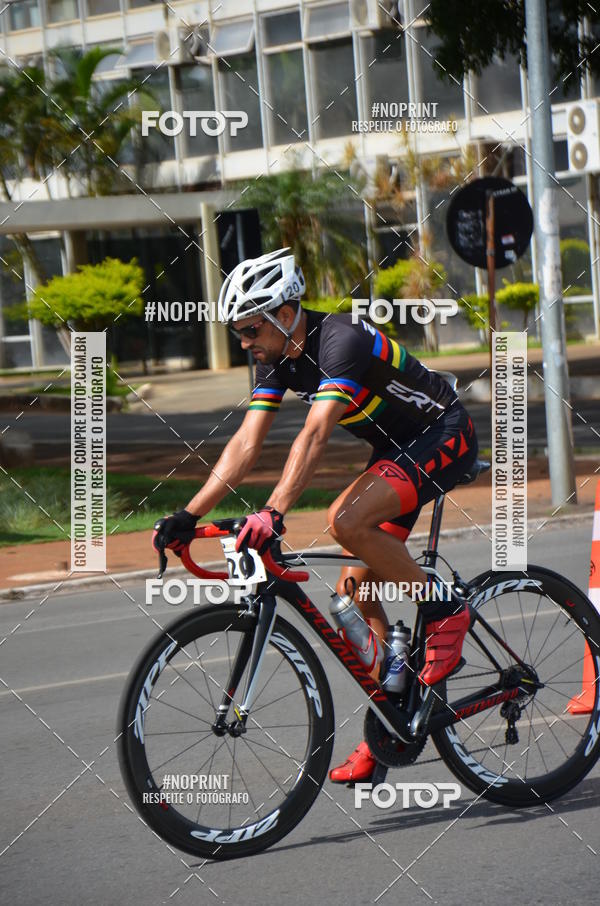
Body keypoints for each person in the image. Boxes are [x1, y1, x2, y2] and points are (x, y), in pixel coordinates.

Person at [153, 247, 478, 783]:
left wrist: (274, 511)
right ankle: (394, 721)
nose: (245, 343)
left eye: (250, 329)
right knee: (353, 596)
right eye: (238, 333)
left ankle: (445, 609)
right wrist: (187, 514)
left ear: (285, 314)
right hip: (396, 451)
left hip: (444, 433)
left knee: (344, 521)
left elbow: (316, 434)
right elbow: (246, 443)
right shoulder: (275, 358)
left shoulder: (341, 340)